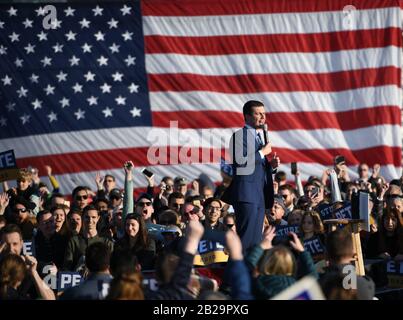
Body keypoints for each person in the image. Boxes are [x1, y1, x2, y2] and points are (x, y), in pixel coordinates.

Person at [221, 100, 280, 253]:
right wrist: (262, 153)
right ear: (247, 116)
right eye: (258, 113)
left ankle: (253, 272)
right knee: (246, 239)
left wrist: (270, 166)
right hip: (246, 195)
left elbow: (254, 167)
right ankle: (241, 272)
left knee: (255, 240)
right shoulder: (240, 136)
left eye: (264, 113)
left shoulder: (259, 137)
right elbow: (240, 163)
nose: (262, 117)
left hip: (259, 195)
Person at [245, 225, 318, 299]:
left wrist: (262, 246)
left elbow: (245, 270)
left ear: (267, 261)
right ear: (292, 264)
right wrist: (302, 251)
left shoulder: (257, 283)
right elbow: (313, 277)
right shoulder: (299, 288)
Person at [63, 205, 113, 271]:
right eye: (87, 217)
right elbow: (67, 265)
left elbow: (112, 265)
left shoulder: (106, 242)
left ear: (98, 218)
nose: (90, 220)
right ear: (82, 218)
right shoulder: (74, 241)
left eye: (93, 217)